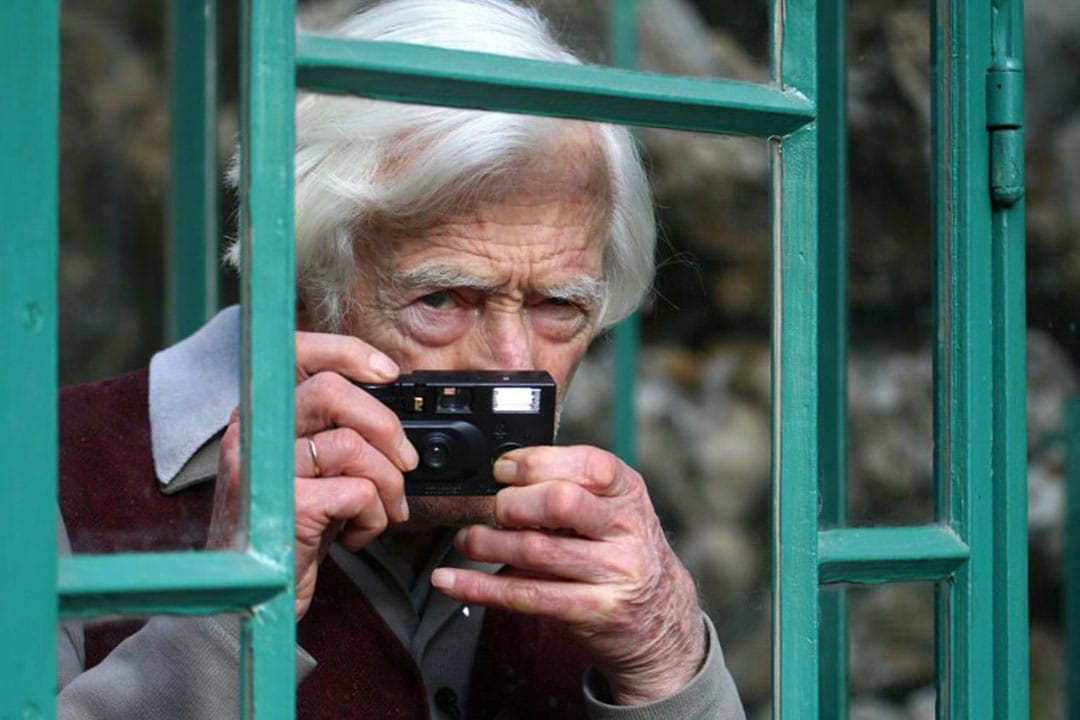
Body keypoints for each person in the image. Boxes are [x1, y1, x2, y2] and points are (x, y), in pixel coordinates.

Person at [56, 1, 746, 717]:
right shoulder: (52, 471)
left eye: (558, 307)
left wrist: (669, 665)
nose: (512, 365)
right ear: (298, 289)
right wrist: (225, 619)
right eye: (443, 300)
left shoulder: (591, 543)